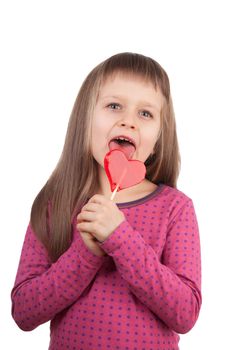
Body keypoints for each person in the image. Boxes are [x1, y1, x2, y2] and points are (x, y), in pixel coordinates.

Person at [11, 52, 202, 350]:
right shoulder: (55, 204)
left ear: (158, 139)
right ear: (85, 119)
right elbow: (23, 312)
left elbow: (185, 313)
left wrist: (121, 239)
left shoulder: (175, 208)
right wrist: (84, 253)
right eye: (114, 106)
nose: (128, 122)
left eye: (146, 113)